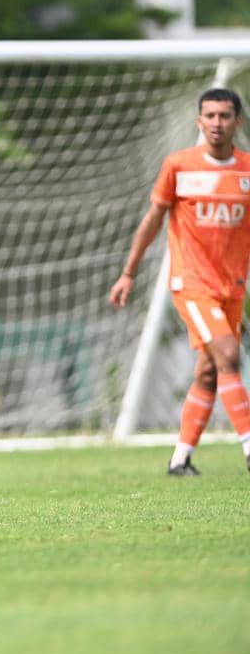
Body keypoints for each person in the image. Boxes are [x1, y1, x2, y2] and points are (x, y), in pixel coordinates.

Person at [109, 87, 250, 476]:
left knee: (209, 369)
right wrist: (128, 273)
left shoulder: (247, 170)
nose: (216, 123)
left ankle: (180, 459)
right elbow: (153, 220)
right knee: (229, 355)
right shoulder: (180, 165)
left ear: (237, 121)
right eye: (210, 116)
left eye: (224, 116)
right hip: (191, 285)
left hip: (232, 287)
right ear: (198, 121)